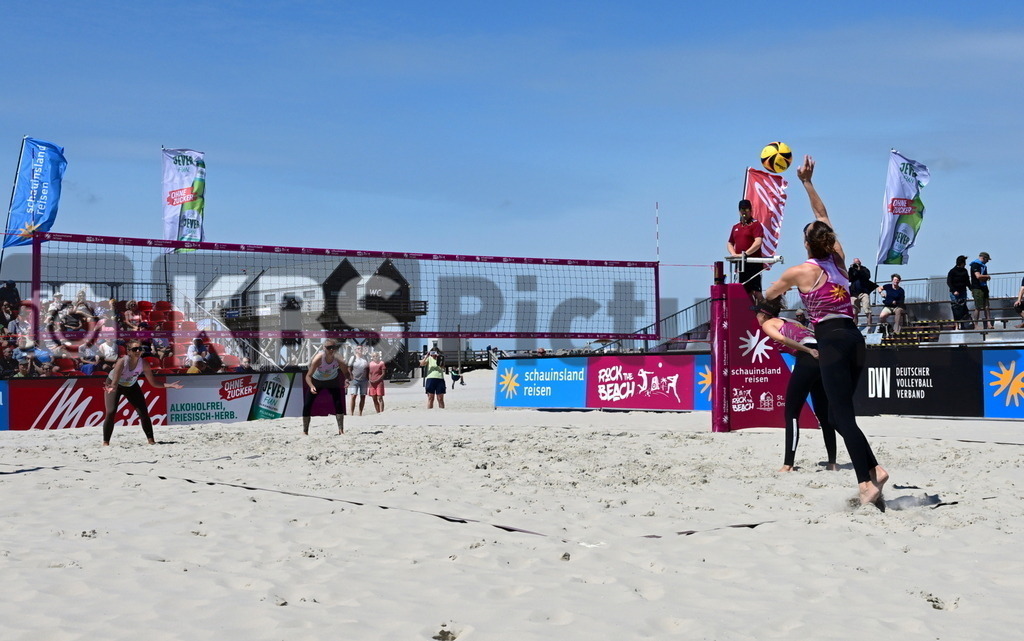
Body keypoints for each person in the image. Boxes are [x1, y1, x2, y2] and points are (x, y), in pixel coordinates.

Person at [765, 155, 888, 507]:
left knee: (840, 415)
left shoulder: (798, 271)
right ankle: (875, 469)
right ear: (828, 241)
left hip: (831, 339)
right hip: (854, 337)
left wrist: (763, 290)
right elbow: (822, 215)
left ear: (807, 244)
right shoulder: (838, 258)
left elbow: (769, 295)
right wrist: (807, 182)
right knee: (837, 413)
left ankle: (866, 483)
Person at [753, 299, 837, 472]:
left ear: (764, 315)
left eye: (757, 314)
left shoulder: (768, 324)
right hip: (822, 358)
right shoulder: (790, 320)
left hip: (808, 357)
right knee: (823, 413)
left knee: (791, 413)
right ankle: (832, 463)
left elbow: (783, 339)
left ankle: (788, 464)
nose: (755, 317)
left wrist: (807, 351)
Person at [102, 339, 183, 446]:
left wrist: (170, 385)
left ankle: (151, 440)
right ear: (129, 351)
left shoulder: (143, 363)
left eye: (140, 349)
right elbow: (115, 382)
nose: (138, 351)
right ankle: (106, 442)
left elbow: (153, 383)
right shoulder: (122, 362)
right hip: (115, 385)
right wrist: (112, 388)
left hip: (131, 385)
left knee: (143, 412)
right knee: (111, 411)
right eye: (135, 349)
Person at [302, 338, 350, 435]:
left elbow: (346, 373)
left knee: (338, 403)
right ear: (324, 348)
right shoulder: (319, 358)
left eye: (334, 347)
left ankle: (341, 430)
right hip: (317, 381)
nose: (331, 350)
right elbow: (308, 376)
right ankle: (305, 431)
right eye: (329, 348)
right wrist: (311, 386)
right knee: (307, 404)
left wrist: (347, 379)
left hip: (332, 380)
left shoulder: (339, 358)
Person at [726, 199, 765, 302]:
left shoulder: (756, 225)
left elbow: (758, 242)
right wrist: (734, 254)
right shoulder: (736, 227)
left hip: (753, 263)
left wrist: (746, 254)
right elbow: (730, 243)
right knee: (745, 291)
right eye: (742, 209)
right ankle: (750, 310)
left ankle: (766, 309)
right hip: (741, 264)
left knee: (756, 292)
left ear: (750, 210)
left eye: (747, 209)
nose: (744, 212)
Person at [847, 258, 876, 328]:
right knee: (854, 312)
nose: (856, 263)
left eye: (858, 262)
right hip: (854, 294)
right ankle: (855, 327)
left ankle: (869, 326)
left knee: (867, 310)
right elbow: (849, 278)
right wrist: (851, 269)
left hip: (864, 293)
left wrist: (859, 269)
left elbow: (867, 277)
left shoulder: (864, 269)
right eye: (855, 262)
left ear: (860, 262)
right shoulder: (852, 270)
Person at [947, 255, 973, 329]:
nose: (965, 264)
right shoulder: (952, 271)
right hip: (954, 293)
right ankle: (957, 324)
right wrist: (954, 290)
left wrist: (971, 289)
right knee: (956, 308)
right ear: (961, 263)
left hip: (963, 291)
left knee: (963, 308)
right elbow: (949, 282)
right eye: (964, 262)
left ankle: (963, 324)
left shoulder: (965, 271)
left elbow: (967, 281)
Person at [970, 252, 993, 330]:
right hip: (977, 288)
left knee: (986, 306)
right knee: (978, 307)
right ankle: (976, 324)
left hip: (984, 287)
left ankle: (989, 323)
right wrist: (987, 276)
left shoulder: (983, 266)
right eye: (987, 259)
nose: (987, 261)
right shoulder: (975, 265)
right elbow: (978, 276)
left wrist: (985, 277)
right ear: (983, 258)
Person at [347, 345, 369, 416]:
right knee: (353, 396)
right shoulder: (353, 358)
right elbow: (349, 368)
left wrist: (368, 377)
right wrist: (351, 376)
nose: (360, 350)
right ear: (356, 350)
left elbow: (368, 368)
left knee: (363, 396)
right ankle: (352, 413)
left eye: (361, 348)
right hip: (355, 380)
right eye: (358, 348)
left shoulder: (366, 358)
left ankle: (360, 413)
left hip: (364, 380)